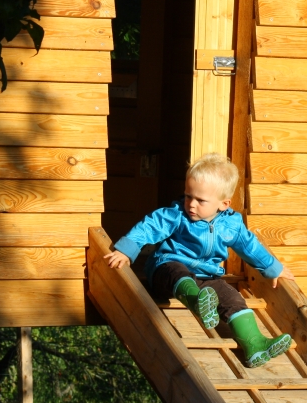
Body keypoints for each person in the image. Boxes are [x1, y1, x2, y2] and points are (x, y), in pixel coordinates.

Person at [103, 153, 296, 368]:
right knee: (177, 272)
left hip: (207, 274)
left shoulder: (231, 224)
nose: (191, 204)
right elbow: (150, 227)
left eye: (200, 200)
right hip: (167, 267)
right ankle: (197, 302)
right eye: (188, 196)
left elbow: (249, 247)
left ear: (223, 204)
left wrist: (272, 268)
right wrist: (126, 251)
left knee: (233, 298)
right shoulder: (177, 215)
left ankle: (255, 344)